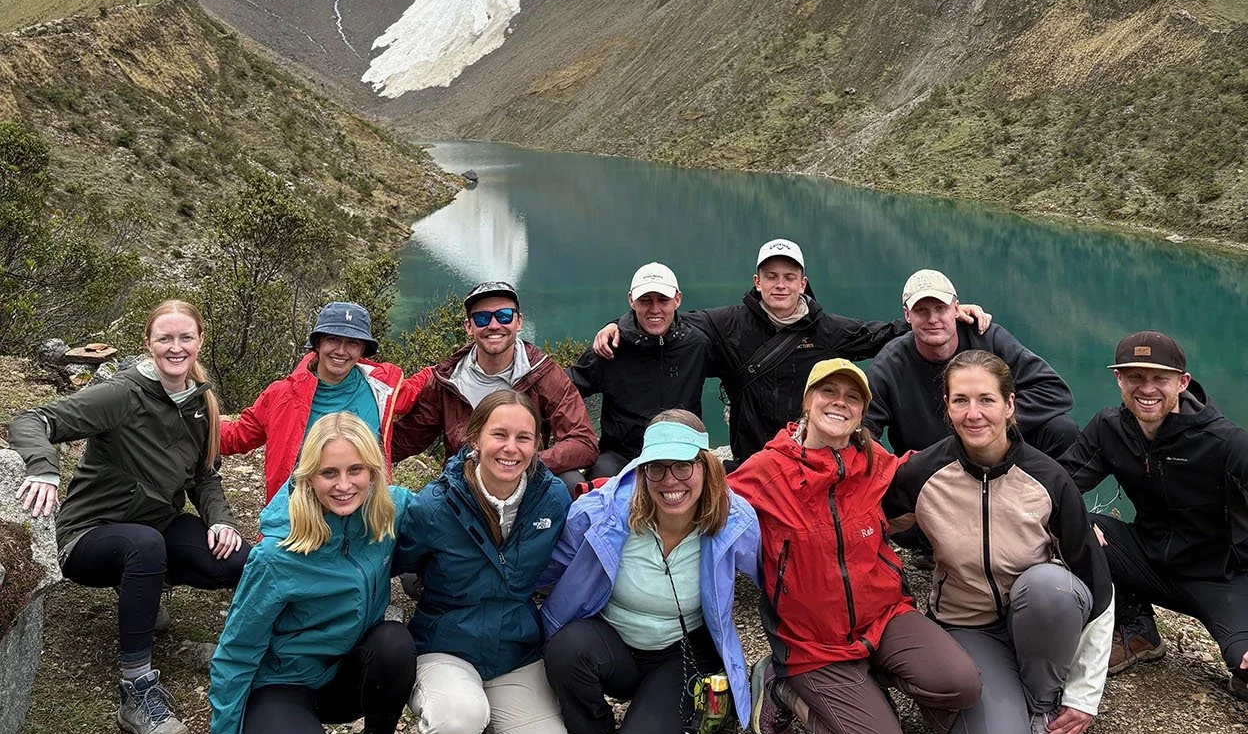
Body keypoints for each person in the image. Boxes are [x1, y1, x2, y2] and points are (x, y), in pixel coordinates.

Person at [729, 361, 981, 734]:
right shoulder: (766, 471)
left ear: (863, 412)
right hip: (812, 646)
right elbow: (702, 502)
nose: (839, 402)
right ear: (806, 402)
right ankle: (782, 687)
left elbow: (924, 467)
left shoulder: (872, 461)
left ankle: (868, 695)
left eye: (852, 397)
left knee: (962, 683)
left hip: (883, 619)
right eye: (828, 392)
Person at [12, 298, 249, 734]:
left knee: (239, 558)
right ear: (149, 343)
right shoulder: (123, 394)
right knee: (143, 546)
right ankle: (136, 689)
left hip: (154, 527)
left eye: (185, 338)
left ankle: (148, 586)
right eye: (165, 338)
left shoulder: (198, 402)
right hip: (88, 535)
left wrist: (220, 521)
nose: (175, 347)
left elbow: (203, 476)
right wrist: (44, 468)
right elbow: (32, 420)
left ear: (199, 342)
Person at [888, 352, 1113, 734]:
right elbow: (869, 524)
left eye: (986, 400)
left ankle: (1043, 707)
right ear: (947, 405)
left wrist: (1083, 697)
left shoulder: (1048, 480)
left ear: (1010, 405)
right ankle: (1002, 698)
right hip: (966, 625)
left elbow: (1099, 591)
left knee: (1052, 587)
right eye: (960, 401)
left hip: (1037, 619)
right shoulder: (924, 473)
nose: (973, 414)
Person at [593, 240, 989, 467]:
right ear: (757, 281)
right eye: (771, 277)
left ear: (803, 283)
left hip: (808, 454)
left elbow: (880, 334)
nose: (779, 285)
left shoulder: (827, 329)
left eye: (788, 277)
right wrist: (621, 325)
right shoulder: (726, 323)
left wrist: (951, 315)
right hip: (752, 459)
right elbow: (663, 318)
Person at [541, 412, 760, 734]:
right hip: (613, 647)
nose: (670, 480)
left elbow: (776, 585)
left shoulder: (734, 519)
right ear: (641, 470)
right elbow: (543, 572)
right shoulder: (601, 514)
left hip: (680, 657)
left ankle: (711, 723)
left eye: (683, 465)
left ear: (705, 465)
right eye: (656, 467)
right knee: (566, 647)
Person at [209, 413, 418, 734]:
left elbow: (447, 507)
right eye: (329, 473)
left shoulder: (387, 510)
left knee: (395, 642)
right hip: (285, 682)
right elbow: (236, 648)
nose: (344, 485)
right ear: (308, 477)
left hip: (350, 673)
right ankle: (283, 733)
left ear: (373, 472)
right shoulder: (275, 556)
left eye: (356, 470)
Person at [395, 388, 575, 734]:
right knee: (454, 720)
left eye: (524, 438)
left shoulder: (552, 500)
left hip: (514, 651)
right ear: (474, 437)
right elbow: (399, 564)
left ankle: (493, 717)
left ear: (537, 444)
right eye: (499, 434)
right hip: (446, 646)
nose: (511, 449)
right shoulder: (435, 505)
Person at [1060, 331, 1248, 695]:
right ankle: (1137, 629)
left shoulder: (1227, 444)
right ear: (1119, 379)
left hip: (1218, 579)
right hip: (1146, 559)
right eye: (1135, 377)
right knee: (1069, 530)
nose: (1147, 389)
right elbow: (1058, 483)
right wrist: (1075, 521)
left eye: (1160, 378)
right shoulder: (1109, 428)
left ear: (1182, 382)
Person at [220, 301, 430, 502]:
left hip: (363, 515)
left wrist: (454, 361)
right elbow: (238, 436)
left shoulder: (382, 390)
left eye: (352, 343)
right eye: (333, 339)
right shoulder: (281, 396)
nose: (341, 350)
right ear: (317, 343)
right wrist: (192, 422)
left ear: (362, 350)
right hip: (296, 516)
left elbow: (421, 385)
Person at [392, 279, 597, 483]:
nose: (494, 325)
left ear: (519, 322)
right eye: (482, 318)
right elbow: (408, 438)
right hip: (463, 486)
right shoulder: (449, 379)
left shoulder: (543, 373)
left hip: (525, 483)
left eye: (504, 316)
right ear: (469, 327)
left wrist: (525, 462)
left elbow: (583, 442)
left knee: (570, 483)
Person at [866, 270, 1078, 458]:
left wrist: (988, 424)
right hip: (930, 464)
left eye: (941, 308)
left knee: (1061, 430)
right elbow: (864, 426)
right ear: (907, 315)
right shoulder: (889, 364)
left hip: (996, 449)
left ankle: (1049, 500)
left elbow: (1054, 392)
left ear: (956, 309)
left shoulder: (988, 338)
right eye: (921, 310)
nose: (933, 319)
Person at [569, 262, 714, 478]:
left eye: (663, 300)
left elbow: (738, 371)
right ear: (631, 301)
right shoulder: (611, 346)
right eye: (645, 300)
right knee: (599, 480)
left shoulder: (696, 344)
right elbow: (564, 390)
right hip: (621, 456)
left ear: (677, 299)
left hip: (682, 451)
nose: (654, 309)